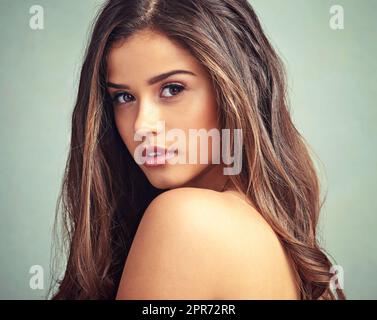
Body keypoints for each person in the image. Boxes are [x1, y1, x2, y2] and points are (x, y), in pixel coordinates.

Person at [49, 0, 346, 300]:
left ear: (234, 88)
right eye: (124, 96)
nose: (142, 125)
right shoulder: (264, 229)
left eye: (172, 89)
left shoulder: (187, 220)